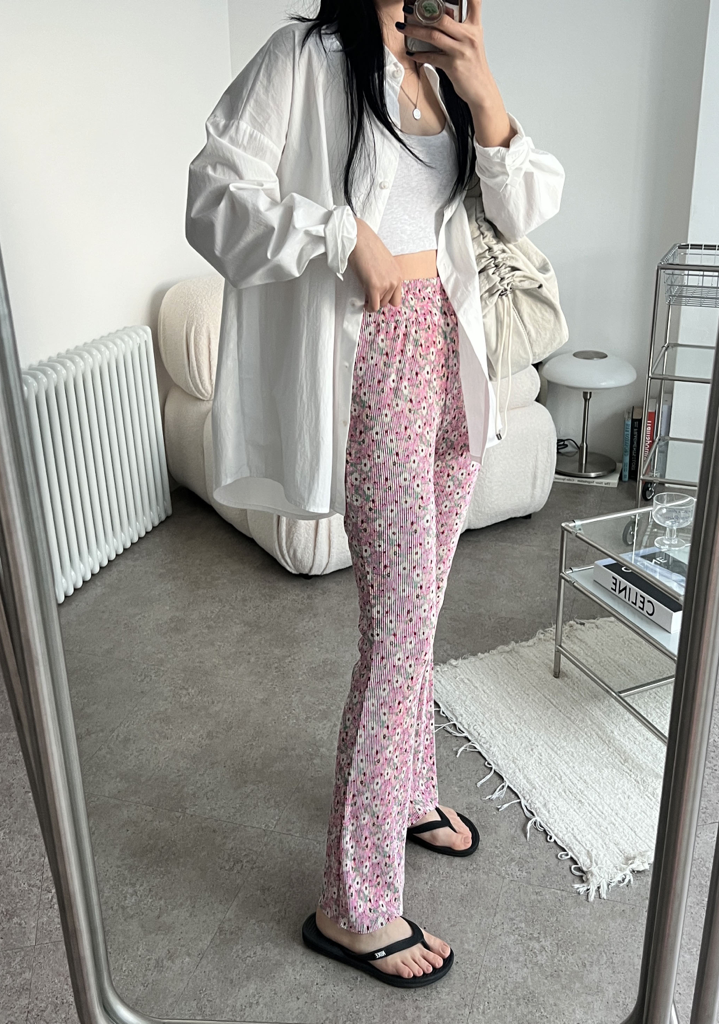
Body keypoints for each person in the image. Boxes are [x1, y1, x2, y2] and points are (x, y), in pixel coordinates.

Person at [185, 0, 563, 988]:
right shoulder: (303, 56)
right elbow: (213, 197)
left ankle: (409, 793)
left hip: (453, 352)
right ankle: (352, 907)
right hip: (375, 363)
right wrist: (338, 230)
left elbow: (524, 208)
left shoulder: (445, 64)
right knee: (396, 637)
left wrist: (483, 90)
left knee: (423, 609)